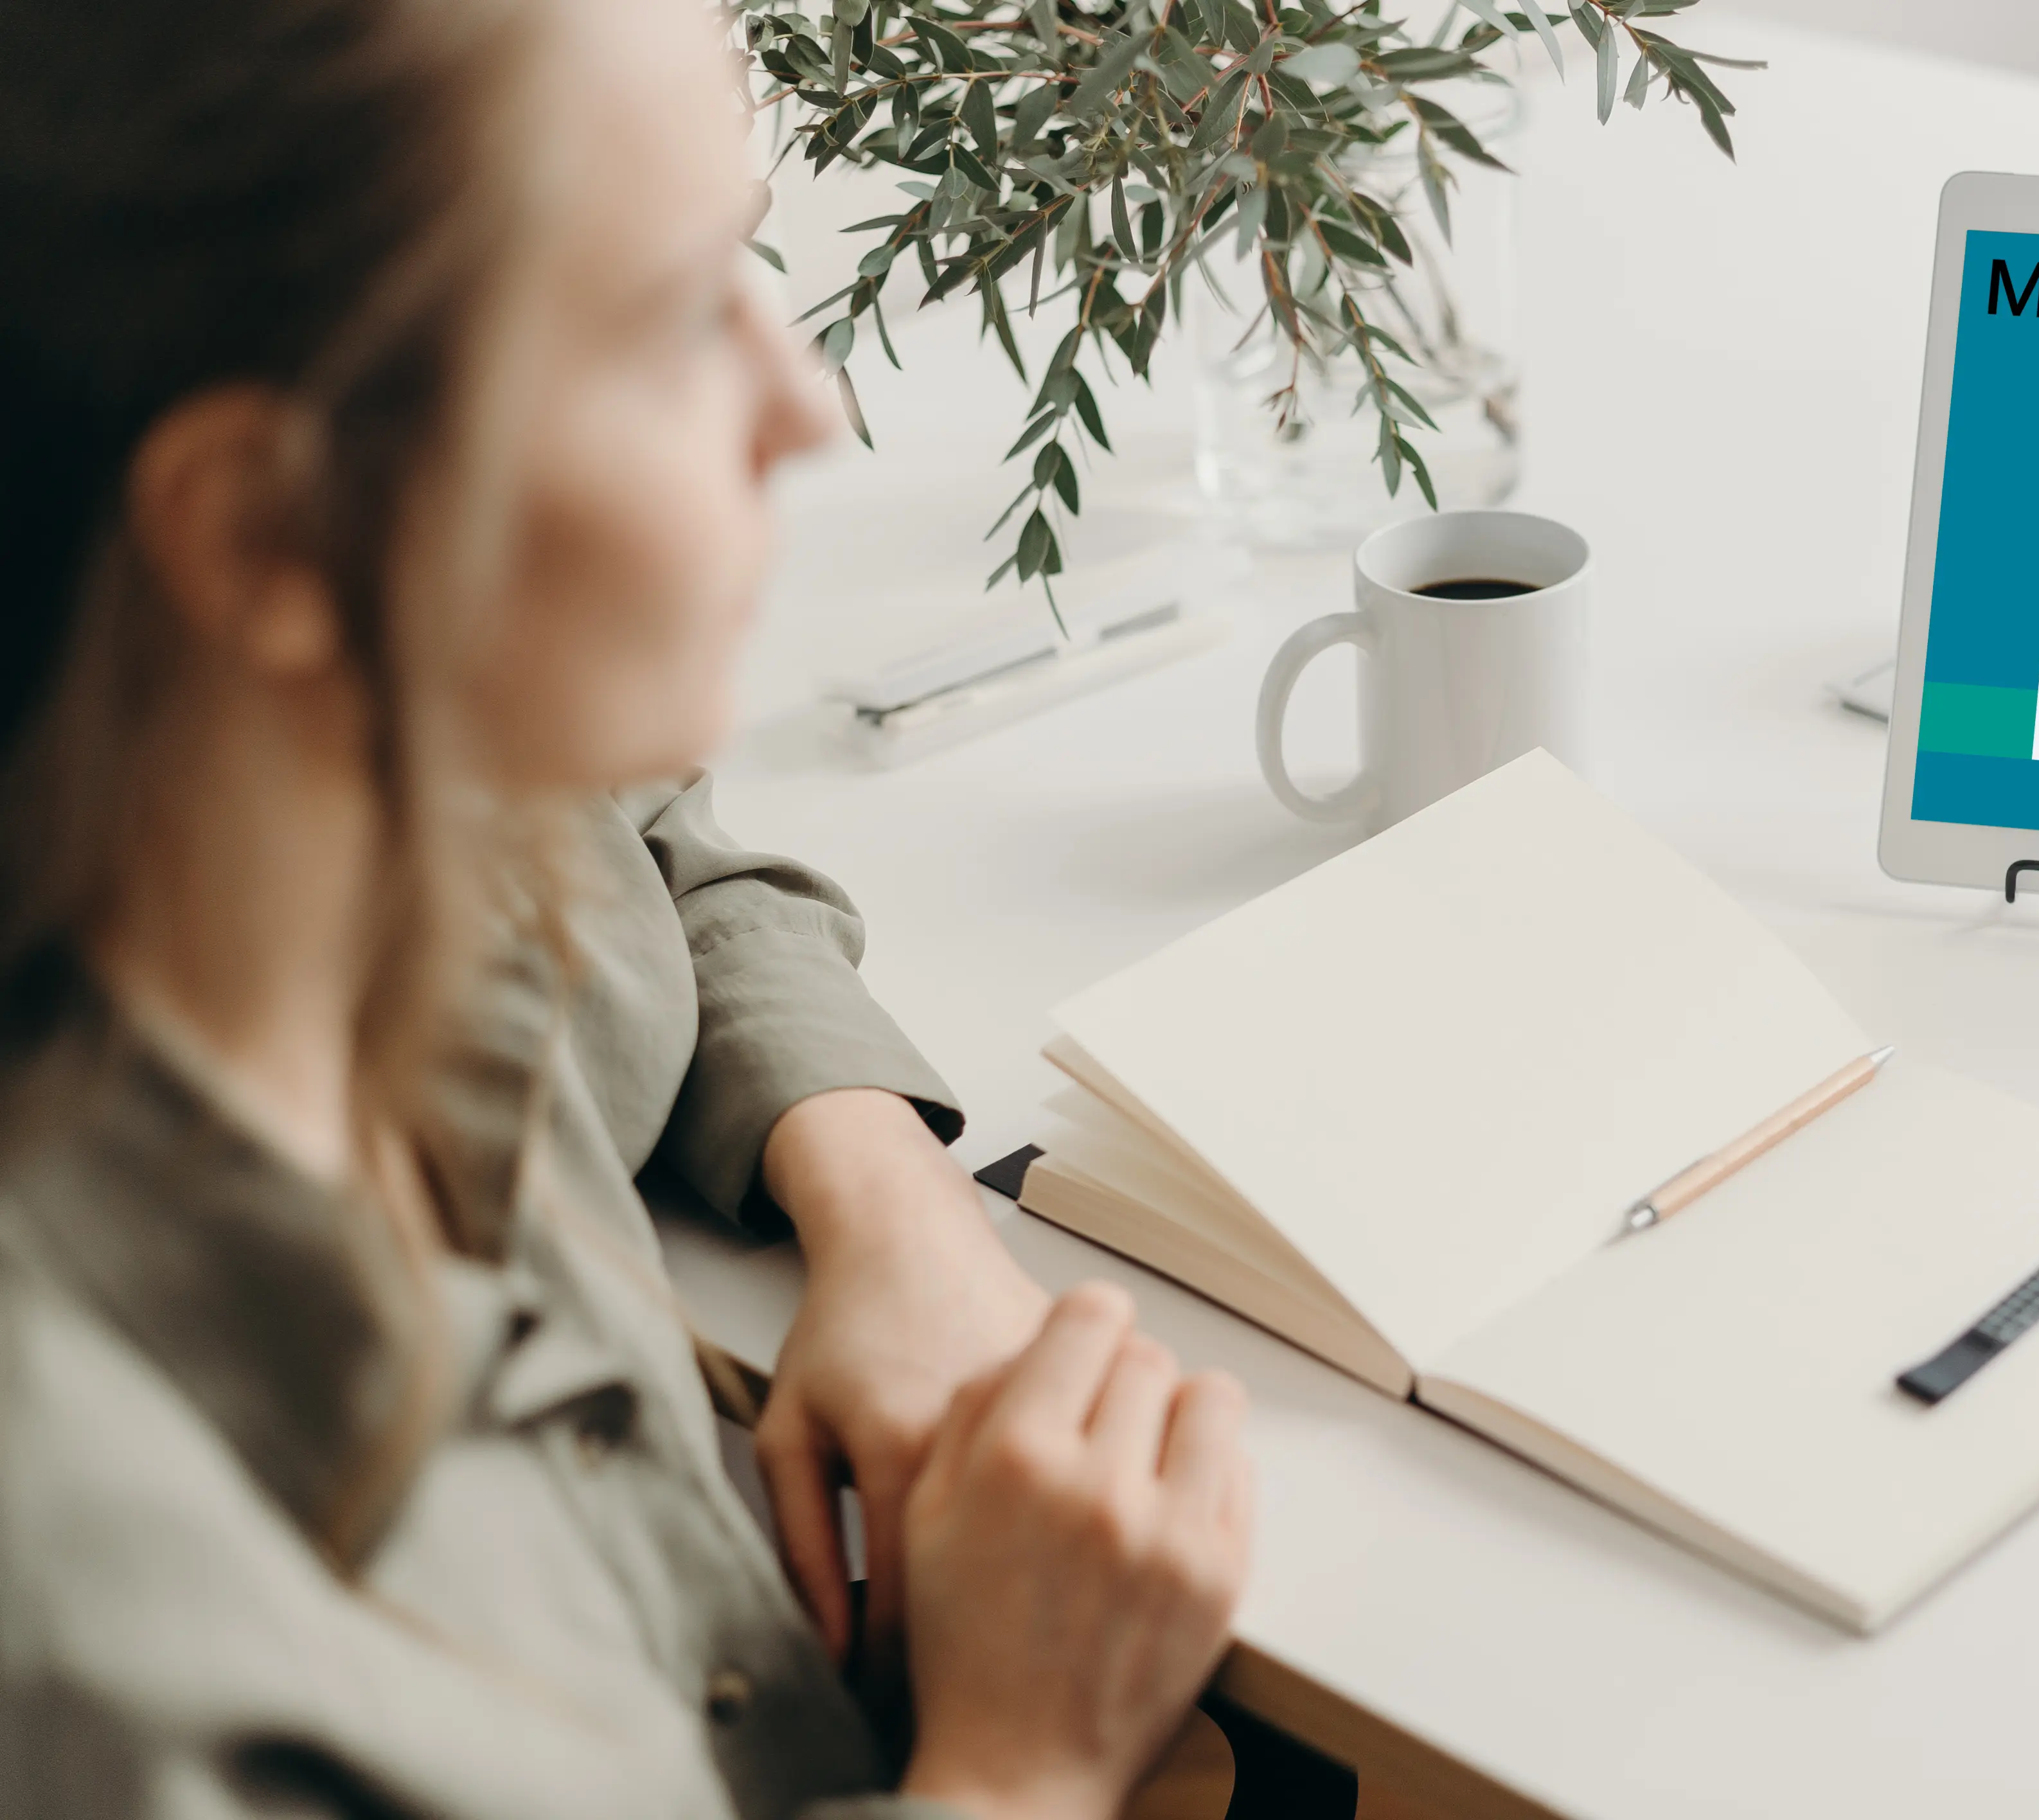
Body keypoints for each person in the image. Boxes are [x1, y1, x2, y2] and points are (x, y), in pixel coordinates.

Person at [0, 0, 1255, 1816]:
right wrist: (1017, 1769)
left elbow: (624, 816)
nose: (807, 406)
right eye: (676, 323)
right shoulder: (113, 1650)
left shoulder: (345, 768)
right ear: (269, 534)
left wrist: (885, 1198)